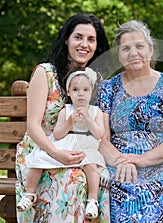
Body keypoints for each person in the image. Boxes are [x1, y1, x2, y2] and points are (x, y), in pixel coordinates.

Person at [15, 13, 110, 223]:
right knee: (73, 181)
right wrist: (57, 153)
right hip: (41, 152)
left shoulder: (95, 81)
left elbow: (100, 129)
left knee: (103, 179)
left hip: (80, 151)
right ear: (67, 39)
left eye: (91, 39)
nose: (84, 44)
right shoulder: (46, 73)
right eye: (78, 37)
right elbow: (33, 126)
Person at [96, 20, 163, 223]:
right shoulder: (107, 89)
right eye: (126, 48)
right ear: (118, 54)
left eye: (139, 46)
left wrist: (141, 159)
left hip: (162, 161)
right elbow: (101, 138)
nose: (133, 53)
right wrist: (122, 161)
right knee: (115, 184)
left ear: (151, 49)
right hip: (116, 161)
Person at [17, 67, 108, 220]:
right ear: (68, 93)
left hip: (85, 146)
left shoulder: (95, 111)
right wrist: (69, 123)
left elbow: (99, 134)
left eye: (85, 90)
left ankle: (92, 200)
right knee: (38, 160)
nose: (80, 93)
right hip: (65, 144)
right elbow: (58, 134)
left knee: (92, 167)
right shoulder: (65, 110)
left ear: (91, 92)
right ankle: (29, 194)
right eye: (76, 89)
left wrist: (88, 119)